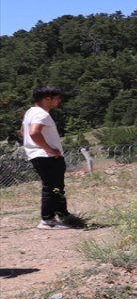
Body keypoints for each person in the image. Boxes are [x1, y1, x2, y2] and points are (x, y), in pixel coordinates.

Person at [23, 86, 86, 229]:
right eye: (57, 98)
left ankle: (62, 214)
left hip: (37, 155)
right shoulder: (41, 114)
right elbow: (34, 133)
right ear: (47, 99)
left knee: (57, 187)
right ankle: (48, 220)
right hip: (46, 156)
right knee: (51, 187)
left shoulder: (30, 112)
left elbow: (23, 131)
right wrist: (50, 150)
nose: (59, 101)